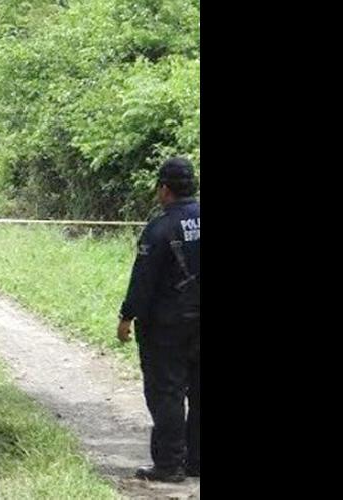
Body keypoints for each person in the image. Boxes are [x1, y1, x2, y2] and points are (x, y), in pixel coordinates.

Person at [117, 157, 200, 483]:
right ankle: (195, 460)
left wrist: (127, 316)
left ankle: (168, 464)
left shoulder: (160, 228)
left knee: (166, 392)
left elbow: (143, 280)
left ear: (164, 189)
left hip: (168, 327)